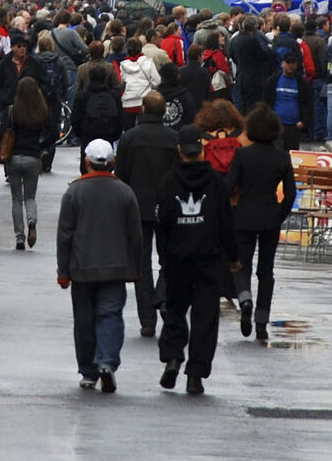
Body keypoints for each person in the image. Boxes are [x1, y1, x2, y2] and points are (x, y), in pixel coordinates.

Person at [155, 129, 236, 395]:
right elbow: (226, 222)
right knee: (205, 317)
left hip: (178, 257)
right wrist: (233, 256)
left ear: (179, 150)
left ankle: (173, 356)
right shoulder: (214, 182)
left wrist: (164, 256)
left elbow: (163, 222)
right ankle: (196, 374)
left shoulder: (168, 181)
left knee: (175, 309)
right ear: (201, 150)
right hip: (208, 257)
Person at [56, 138, 140, 393]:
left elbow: (65, 235)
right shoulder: (125, 192)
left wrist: (63, 272)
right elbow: (135, 235)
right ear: (113, 163)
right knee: (110, 315)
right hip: (115, 268)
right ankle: (106, 362)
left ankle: (88, 371)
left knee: (84, 319)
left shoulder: (74, 192)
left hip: (82, 269)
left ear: (86, 162)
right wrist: (135, 268)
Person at [114, 90, 180, 338]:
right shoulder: (174, 139)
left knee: (141, 266)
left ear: (143, 110)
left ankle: (147, 320)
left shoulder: (130, 138)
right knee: (169, 259)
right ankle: (162, 296)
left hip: (138, 207)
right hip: (167, 208)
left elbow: (122, 175)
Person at [225, 105, 294, 340]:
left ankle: (245, 299)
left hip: (243, 215)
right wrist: (279, 213)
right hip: (269, 216)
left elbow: (228, 186)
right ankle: (262, 322)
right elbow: (291, 193)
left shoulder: (243, 155)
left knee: (241, 265)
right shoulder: (282, 157)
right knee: (266, 271)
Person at [0, 78, 52, 250]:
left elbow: (1, 134)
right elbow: (52, 134)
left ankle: (19, 237)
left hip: (14, 157)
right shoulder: (41, 110)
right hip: (33, 157)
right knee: (30, 196)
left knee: (16, 198)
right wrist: (39, 146)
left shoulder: (12, 111)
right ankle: (32, 222)